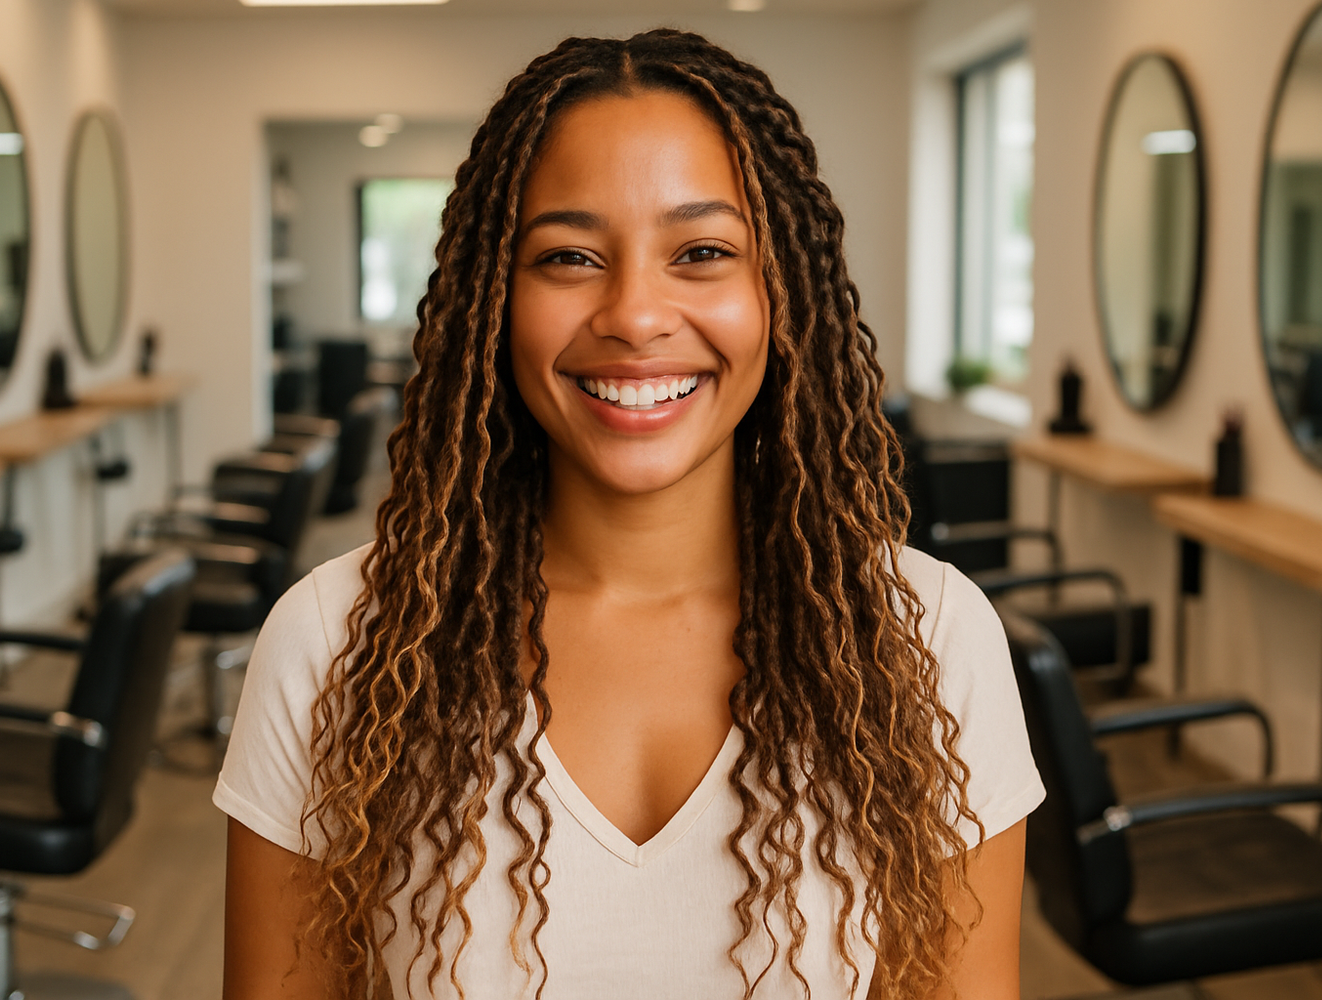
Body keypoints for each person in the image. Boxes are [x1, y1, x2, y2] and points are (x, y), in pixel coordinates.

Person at [217, 28, 1043, 1000]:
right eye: (568, 256)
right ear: (493, 298)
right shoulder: (337, 640)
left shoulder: (930, 638)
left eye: (701, 251)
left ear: (781, 292)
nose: (635, 313)